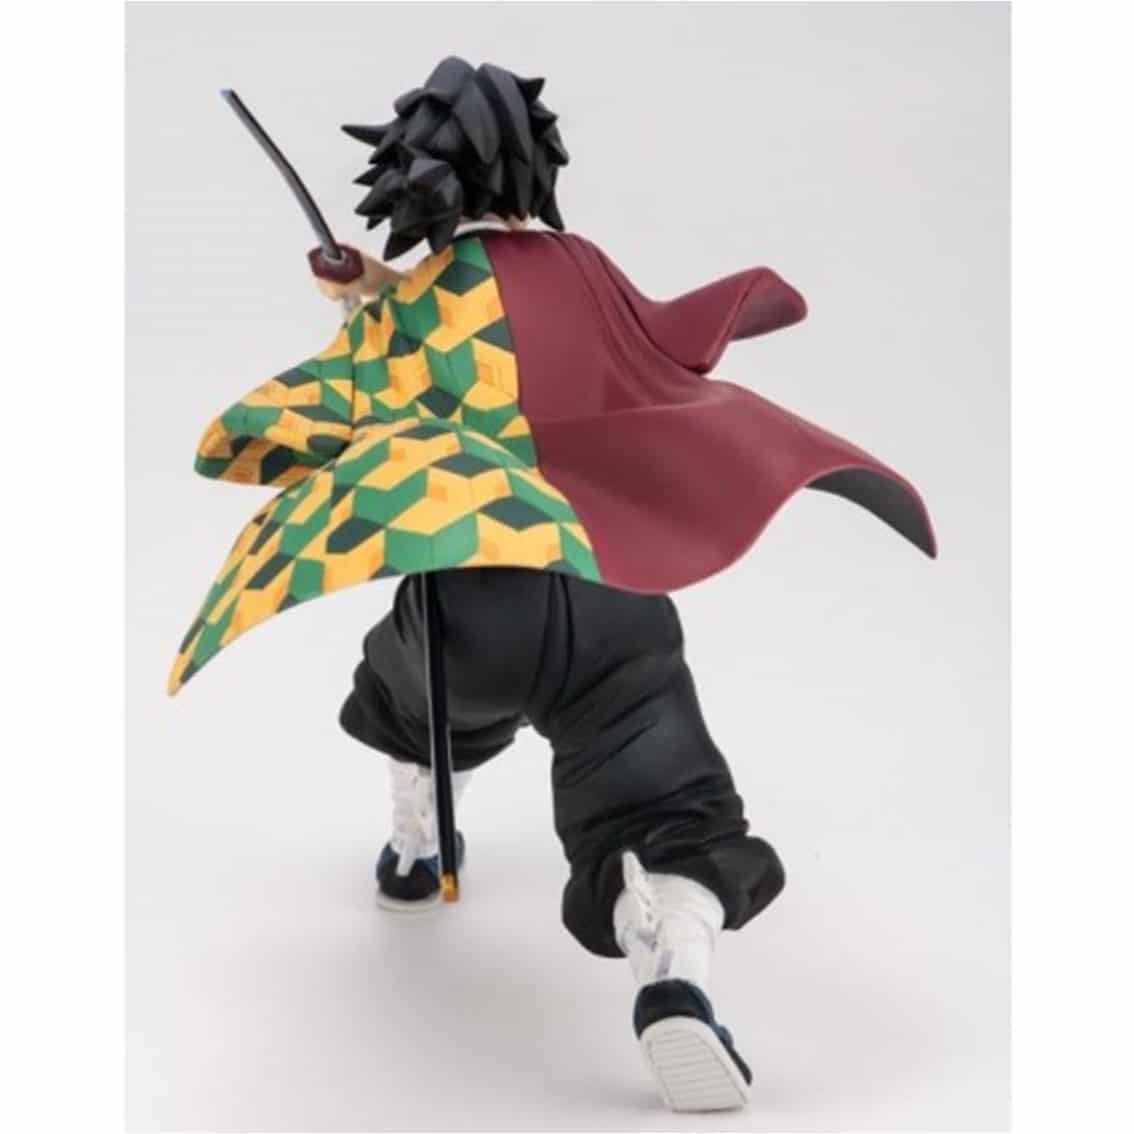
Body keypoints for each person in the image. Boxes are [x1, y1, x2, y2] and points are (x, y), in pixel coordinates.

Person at [170, 56, 936, 1112]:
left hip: (475, 606)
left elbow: (299, 419)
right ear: (533, 165)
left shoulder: (411, 311)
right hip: (609, 582)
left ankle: (417, 844)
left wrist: (361, 312)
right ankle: (672, 969)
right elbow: (658, 335)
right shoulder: (585, 267)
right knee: (664, 803)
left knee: (407, 686)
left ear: (410, 183)